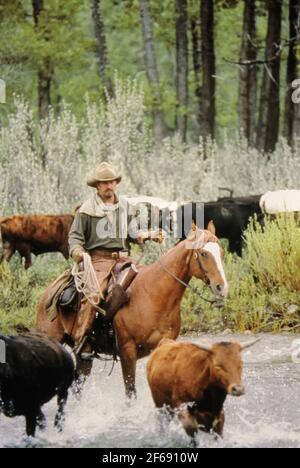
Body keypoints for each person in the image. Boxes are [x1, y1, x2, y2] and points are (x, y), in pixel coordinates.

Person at [68, 161, 159, 347]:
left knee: (147, 286)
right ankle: (83, 339)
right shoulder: (86, 210)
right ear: (97, 185)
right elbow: (75, 237)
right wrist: (77, 252)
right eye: (105, 182)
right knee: (93, 296)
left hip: (124, 259)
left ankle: (144, 331)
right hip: (98, 261)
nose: (109, 186)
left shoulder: (125, 207)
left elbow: (133, 233)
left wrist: (148, 235)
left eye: (112, 182)